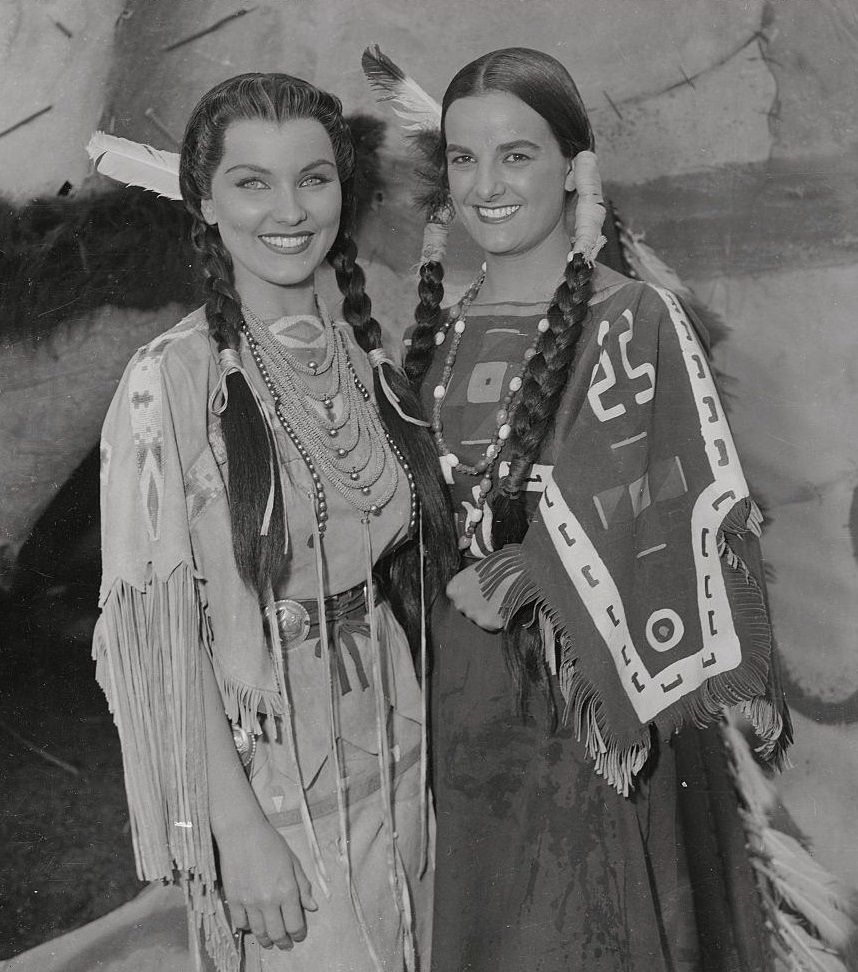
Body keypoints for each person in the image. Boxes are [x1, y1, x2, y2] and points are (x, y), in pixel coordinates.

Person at [402, 48, 790, 972]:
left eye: (517, 155)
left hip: (595, 704)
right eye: (462, 159)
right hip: (457, 707)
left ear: (575, 171)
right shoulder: (442, 328)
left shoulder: (634, 320)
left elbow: (681, 497)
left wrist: (529, 568)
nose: (485, 184)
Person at [92, 73, 455, 972]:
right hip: (274, 787)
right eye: (253, 182)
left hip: (405, 754)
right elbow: (158, 644)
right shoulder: (167, 383)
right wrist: (239, 832)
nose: (288, 210)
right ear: (205, 202)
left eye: (314, 178)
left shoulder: (361, 355)